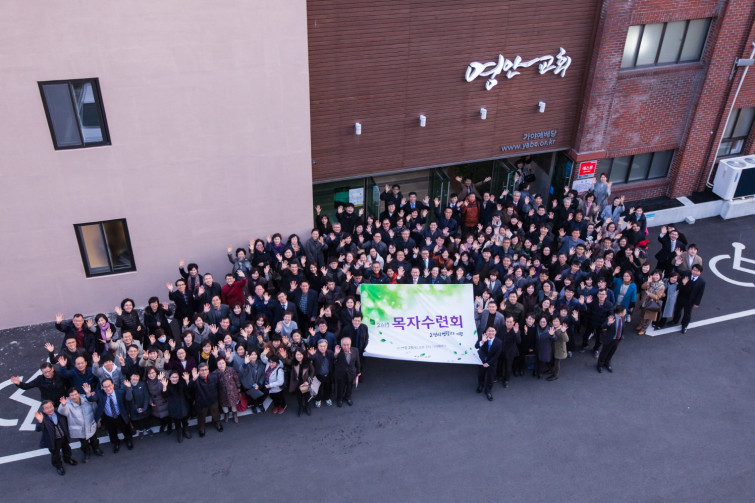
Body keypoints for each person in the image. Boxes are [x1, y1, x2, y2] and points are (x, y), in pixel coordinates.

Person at [57, 385, 102, 463]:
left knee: (94, 439)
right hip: (79, 429)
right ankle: (86, 453)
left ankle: (96, 449)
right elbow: (63, 412)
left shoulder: (87, 399)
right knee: (84, 443)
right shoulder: (67, 404)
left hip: (90, 425)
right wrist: (63, 405)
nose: (74, 397)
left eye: (75, 394)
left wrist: (98, 421)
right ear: (69, 396)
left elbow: (95, 409)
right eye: (72, 395)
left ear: (79, 394)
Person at [35, 400, 76, 475]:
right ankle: (58, 466)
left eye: (51, 406)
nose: (50, 409)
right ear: (43, 410)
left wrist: (64, 405)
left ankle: (67, 459)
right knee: (55, 454)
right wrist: (40, 422)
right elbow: (38, 429)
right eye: (47, 408)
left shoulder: (58, 412)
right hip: (53, 440)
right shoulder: (42, 418)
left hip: (63, 436)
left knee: (67, 449)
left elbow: (66, 413)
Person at [92, 377, 133, 452]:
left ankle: (128, 440)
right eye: (105, 387)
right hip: (108, 417)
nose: (108, 388)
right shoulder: (100, 393)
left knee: (126, 429)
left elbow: (129, 399)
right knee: (112, 432)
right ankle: (116, 443)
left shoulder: (120, 392)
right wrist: (88, 393)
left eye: (109, 386)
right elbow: (92, 399)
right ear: (102, 387)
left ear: (113, 385)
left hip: (120, 415)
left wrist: (128, 388)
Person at [190, 363, 223, 436]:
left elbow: (218, 387)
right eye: (202, 370)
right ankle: (201, 428)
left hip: (213, 400)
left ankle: (217, 423)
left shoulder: (214, 376)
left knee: (216, 413)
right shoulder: (195, 378)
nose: (204, 372)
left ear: (208, 370)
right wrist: (193, 379)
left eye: (206, 369)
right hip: (201, 401)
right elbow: (190, 388)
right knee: (201, 416)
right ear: (199, 371)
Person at [672, 264, 706, 334]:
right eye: (694, 270)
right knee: (677, 309)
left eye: (697, 271)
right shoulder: (686, 274)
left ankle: (684, 325)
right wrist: (676, 265)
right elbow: (678, 271)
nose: (695, 272)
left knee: (687, 313)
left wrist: (697, 303)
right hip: (681, 296)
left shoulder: (702, 282)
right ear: (691, 270)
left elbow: (700, 293)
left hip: (690, 300)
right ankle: (675, 320)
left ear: (700, 273)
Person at [162, 371, 192, 443]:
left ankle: (185, 430)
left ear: (179, 377)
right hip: (174, 407)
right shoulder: (167, 385)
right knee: (177, 422)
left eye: (176, 377)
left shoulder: (182, 383)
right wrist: (164, 386)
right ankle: (179, 432)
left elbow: (188, 391)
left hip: (183, 405)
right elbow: (164, 396)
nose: (174, 379)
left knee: (185, 420)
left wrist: (187, 380)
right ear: (169, 378)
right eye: (173, 377)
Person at [475, 326, 502, 401]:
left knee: (490, 377)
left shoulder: (499, 342)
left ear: (495, 332)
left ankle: (488, 391)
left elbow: (497, 355)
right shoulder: (483, 337)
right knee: (481, 375)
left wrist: (489, 363)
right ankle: (481, 385)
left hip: (492, 362)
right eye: (489, 331)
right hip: (482, 361)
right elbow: (476, 346)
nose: (491, 332)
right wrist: (482, 341)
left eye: (493, 331)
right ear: (486, 332)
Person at [334, 336, 361, 407]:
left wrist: (358, 371)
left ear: (350, 344)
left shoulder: (355, 350)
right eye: (344, 345)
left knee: (350, 387)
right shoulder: (338, 351)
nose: (346, 347)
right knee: (340, 387)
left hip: (351, 373)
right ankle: (339, 399)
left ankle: (348, 397)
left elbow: (357, 362)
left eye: (348, 344)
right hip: (341, 374)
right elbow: (333, 362)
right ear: (341, 345)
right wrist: (336, 354)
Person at [597, 306, 626, 373]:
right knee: (604, 353)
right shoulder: (610, 318)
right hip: (609, 339)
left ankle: (607, 363)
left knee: (611, 352)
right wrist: (608, 323)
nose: (625, 313)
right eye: (624, 312)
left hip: (617, 339)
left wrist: (621, 336)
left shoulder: (622, 318)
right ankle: (600, 365)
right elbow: (603, 327)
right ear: (620, 313)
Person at [308, 339, 335, 408]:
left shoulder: (330, 352)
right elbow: (310, 359)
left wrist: (336, 354)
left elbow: (334, 360)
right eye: (321, 346)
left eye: (324, 346)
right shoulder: (315, 353)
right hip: (318, 376)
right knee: (318, 389)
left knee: (328, 388)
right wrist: (311, 356)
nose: (323, 348)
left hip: (328, 375)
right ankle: (318, 399)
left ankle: (327, 398)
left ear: (327, 346)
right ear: (318, 346)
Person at [214, 358, 241, 423]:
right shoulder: (215, 373)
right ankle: (226, 414)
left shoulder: (231, 369)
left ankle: (235, 414)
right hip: (221, 392)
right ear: (217, 365)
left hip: (232, 390)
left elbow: (236, 379)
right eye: (219, 364)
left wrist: (238, 387)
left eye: (223, 363)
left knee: (233, 403)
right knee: (223, 404)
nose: (221, 365)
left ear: (225, 363)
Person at [124, 372, 151, 437]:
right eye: (133, 376)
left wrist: (144, 408)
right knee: (139, 420)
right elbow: (128, 398)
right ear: (130, 376)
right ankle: (141, 430)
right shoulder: (126, 385)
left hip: (143, 406)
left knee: (146, 419)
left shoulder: (142, 384)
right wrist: (129, 388)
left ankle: (148, 429)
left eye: (137, 376)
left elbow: (146, 396)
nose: (135, 378)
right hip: (133, 408)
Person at [289, 348, 314, 416]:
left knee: (306, 396)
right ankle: (300, 407)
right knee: (299, 396)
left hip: (305, 383)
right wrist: (284, 357)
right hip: (297, 383)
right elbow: (288, 362)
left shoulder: (307, 361)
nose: (299, 356)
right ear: (294, 355)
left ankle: (307, 406)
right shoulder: (294, 362)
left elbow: (312, 371)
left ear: (303, 355)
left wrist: (308, 380)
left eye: (300, 354)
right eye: (297, 355)